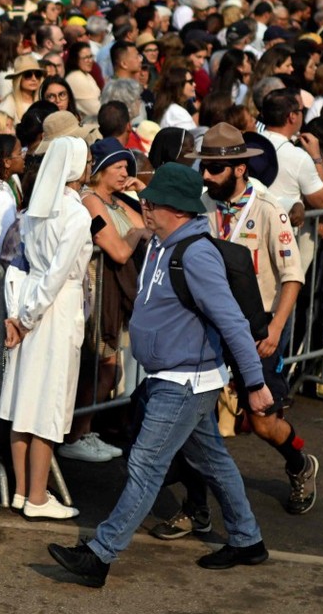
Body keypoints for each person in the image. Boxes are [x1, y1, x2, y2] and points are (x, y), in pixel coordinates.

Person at [49, 164, 273, 588]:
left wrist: (255, 384)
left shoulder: (197, 253)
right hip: (173, 378)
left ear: (176, 208)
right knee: (213, 461)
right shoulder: (162, 241)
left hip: (183, 381)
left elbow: (232, 323)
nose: (144, 204)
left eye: (152, 201)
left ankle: (100, 554)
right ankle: (248, 539)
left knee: (146, 464)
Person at [149, 123, 318, 531]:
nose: (205, 176)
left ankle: (298, 462)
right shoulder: (203, 203)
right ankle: (196, 507)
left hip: (256, 327)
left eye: (214, 170)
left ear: (240, 169)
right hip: (206, 326)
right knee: (192, 420)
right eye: (204, 167)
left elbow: (292, 275)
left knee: (262, 421)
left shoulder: (267, 206)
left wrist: (275, 329)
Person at [0, 136, 94, 519]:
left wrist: (17, 313)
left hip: (29, 301)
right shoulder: (76, 214)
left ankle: (23, 491)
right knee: (49, 403)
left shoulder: (35, 209)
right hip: (53, 308)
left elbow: (20, 266)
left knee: (24, 400)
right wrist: (26, 317)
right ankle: (37, 496)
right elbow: (57, 276)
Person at [59, 137, 145, 464]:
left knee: (109, 368)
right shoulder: (91, 200)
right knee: (102, 369)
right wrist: (137, 234)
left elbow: (150, 226)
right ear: (99, 170)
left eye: (127, 166)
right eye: (118, 166)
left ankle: (85, 430)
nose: (125, 172)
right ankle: (74, 436)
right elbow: (121, 250)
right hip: (95, 293)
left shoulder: (118, 199)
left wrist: (141, 192)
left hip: (117, 294)